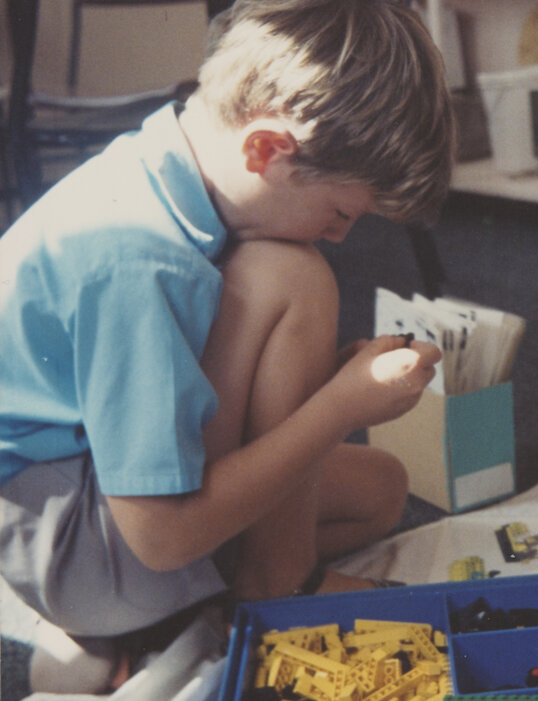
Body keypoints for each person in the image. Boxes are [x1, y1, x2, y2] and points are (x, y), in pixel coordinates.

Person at [0, 0, 454, 692]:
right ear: (267, 148)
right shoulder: (137, 260)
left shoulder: (163, 165)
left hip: (85, 491)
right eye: (341, 213)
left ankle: (139, 633)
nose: (340, 236)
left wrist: (311, 387)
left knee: (382, 488)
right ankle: (272, 591)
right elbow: (164, 536)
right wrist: (337, 406)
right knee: (296, 277)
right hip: (70, 541)